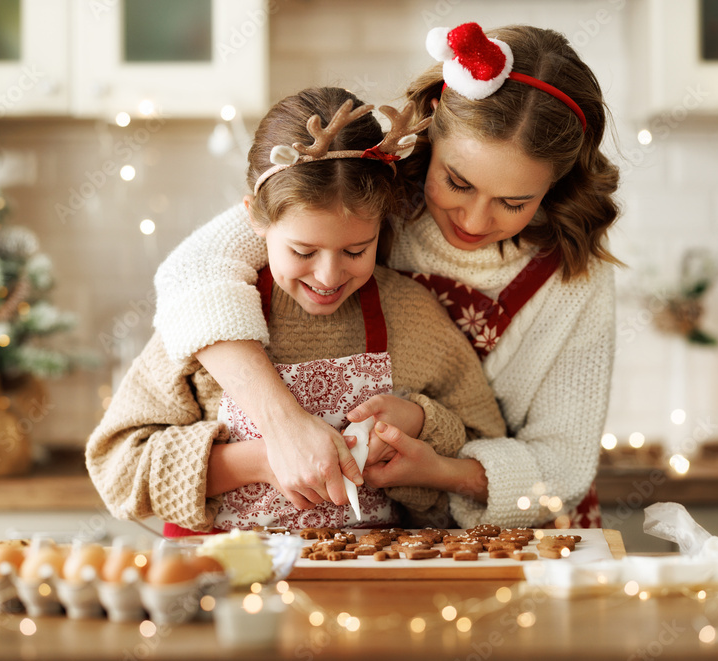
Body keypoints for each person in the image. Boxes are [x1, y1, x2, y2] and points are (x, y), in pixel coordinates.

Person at [151, 23, 621, 529]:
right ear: (434, 123)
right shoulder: (366, 192)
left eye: (514, 202)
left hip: (528, 525)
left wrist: (441, 471)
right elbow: (194, 273)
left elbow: (564, 464)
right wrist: (280, 424)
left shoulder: (575, 278)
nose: (474, 220)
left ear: (557, 181)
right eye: (457, 182)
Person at [86, 87, 505, 534]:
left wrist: (420, 422)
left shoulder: (412, 315)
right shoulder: (209, 319)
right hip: (226, 587)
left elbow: (485, 443)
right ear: (256, 219)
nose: (328, 276)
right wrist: (261, 460)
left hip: (371, 588)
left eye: (356, 250)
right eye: (303, 250)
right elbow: (115, 467)